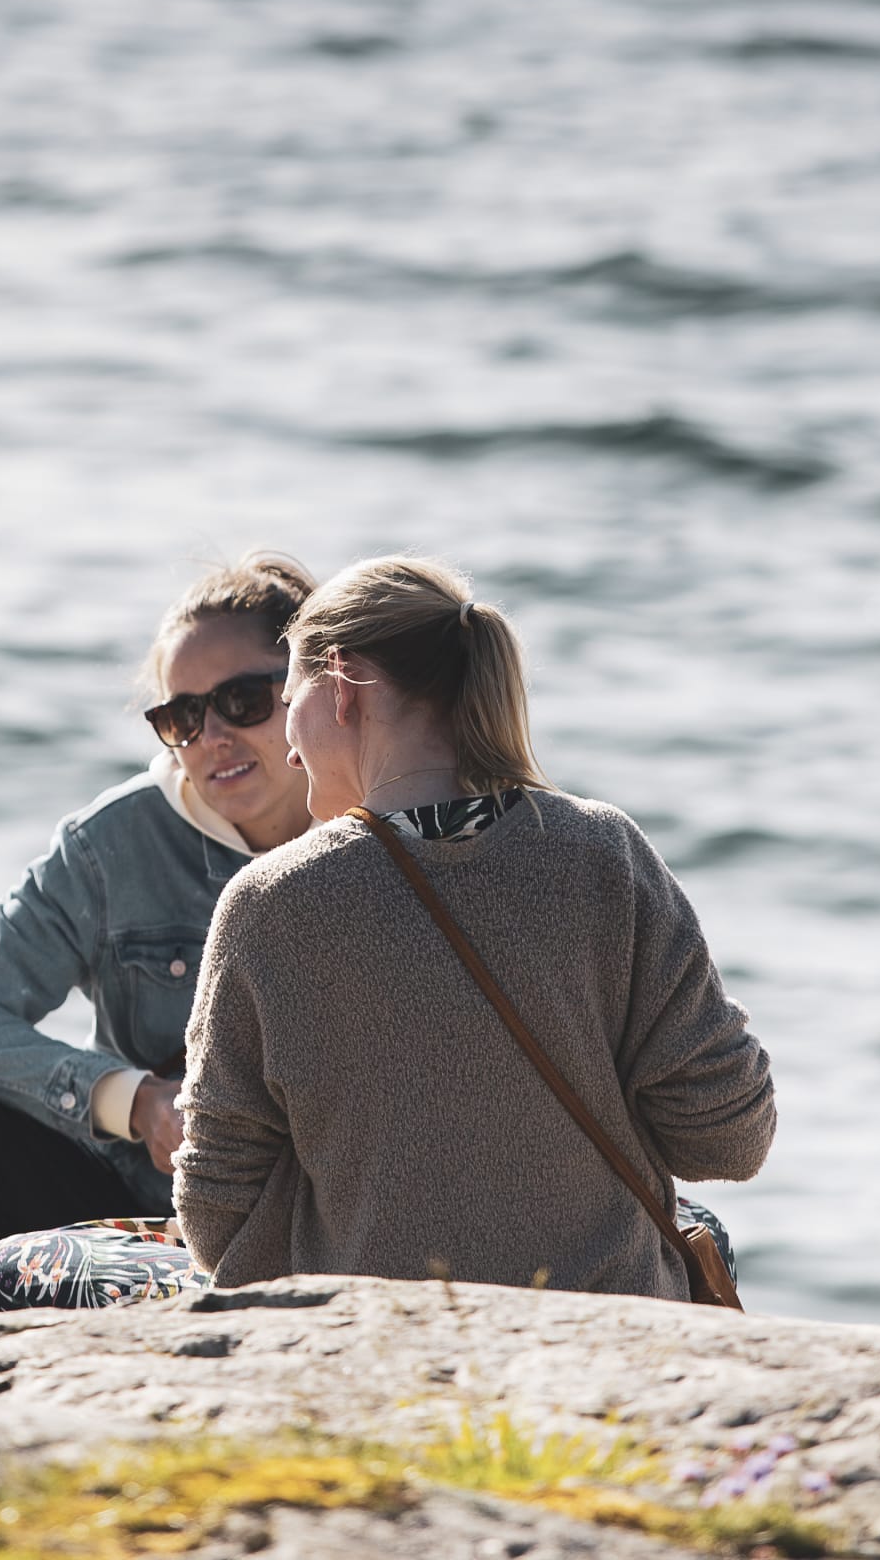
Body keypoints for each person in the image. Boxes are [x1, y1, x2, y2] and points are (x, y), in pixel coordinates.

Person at [172, 556, 775, 1300]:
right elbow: (731, 1138)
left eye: (291, 698)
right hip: (606, 1323)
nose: (290, 744)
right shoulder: (603, 855)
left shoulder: (271, 904)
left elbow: (211, 1213)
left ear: (342, 682)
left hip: (367, 1339)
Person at [0, 553, 317, 1322]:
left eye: (242, 699)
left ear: (311, 685)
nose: (213, 739)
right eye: (182, 718)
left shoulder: (390, 824)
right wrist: (136, 1104)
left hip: (340, 1208)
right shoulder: (115, 844)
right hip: (147, 1203)